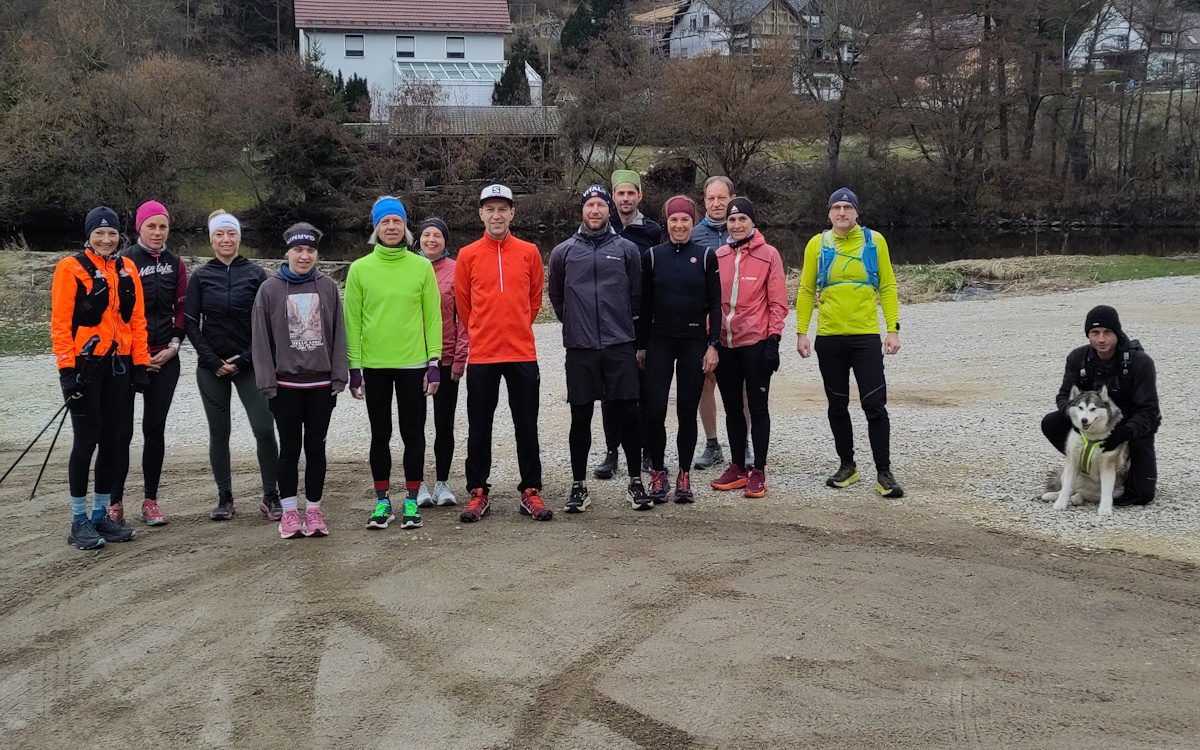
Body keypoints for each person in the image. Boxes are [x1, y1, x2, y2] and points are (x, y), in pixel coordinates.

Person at [795, 188, 904, 497]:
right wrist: (801, 331)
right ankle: (847, 465)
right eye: (836, 208)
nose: (841, 212)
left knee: (874, 404)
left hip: (865, 336)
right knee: (837, 404)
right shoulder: (817, 244)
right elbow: (806, 289)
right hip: (829, 337)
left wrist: (892, 329)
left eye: (847, 207)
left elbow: (887, 285)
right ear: (829, 213)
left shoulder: (875, 241)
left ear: (857, 212)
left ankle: (884, 472)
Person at [455, 184, 552, 523]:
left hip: (521, 352)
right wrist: (484, 329)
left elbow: (535, 299)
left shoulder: (529, 251)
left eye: (502, 209)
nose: (496, 215)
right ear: (481, 214)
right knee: (479, 426)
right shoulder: (467, 255)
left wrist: (516, 326)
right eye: (490, 209)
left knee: (526, 424)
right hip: (483, 355)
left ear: (512, 213)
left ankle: (531, 490)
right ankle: (478, 491)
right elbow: (464, 304)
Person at [549, 185, 650, 512]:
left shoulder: (627, 250)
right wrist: (576, 323)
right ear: (582, 210)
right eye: (590, 205)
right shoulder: (563, 252)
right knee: (580, 416)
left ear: (609, 210)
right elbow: (557, 298)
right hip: (581, 348)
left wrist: (624, 329)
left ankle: (635, 482)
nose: (595, 210)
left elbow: (636, 295)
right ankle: (579, 486)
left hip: (619, 344)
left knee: (628, 413)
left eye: (601, 205)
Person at [51, 207, 146, 549]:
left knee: (113, 440)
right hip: (85, 366)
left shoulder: (128, 268)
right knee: (86, 440)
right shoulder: (70, 267)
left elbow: (137, 320)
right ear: (89, 236)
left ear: (120, 236)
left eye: (112, 234)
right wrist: (67, 371)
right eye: (99, 233)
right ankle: (78, 521)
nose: (106, 240)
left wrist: (141, 364)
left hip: (119, 364)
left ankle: (100, 514)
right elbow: (60, 323)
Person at [345, 197, 442, 531]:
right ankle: (383, 501)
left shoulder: (421, 267)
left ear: (405, 227)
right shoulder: (360, 269)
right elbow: (352, 322)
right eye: (384, 222)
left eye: (396, 222)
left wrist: (434, 361)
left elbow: (433, 317)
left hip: (413, 364)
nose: (391, 227)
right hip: (375, 366)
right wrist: (354, 368)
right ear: (376, 227)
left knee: (413, 433)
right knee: (380, 434)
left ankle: (412, 500)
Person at [252, 223, 348, 538]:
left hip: (321, 385)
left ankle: (314, 510)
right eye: (298, 250)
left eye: (309, 250)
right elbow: (260, 340)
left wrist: (339, 376)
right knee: (290, 448)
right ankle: (290, 512)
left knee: (316, 448)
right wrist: (267, 381)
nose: (304, 256)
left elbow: (339, 334)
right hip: (286, 386)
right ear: (288, 252)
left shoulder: (327, 287)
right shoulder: (269, 290)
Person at [186, 209, 280, 520]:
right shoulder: (200, 277)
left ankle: (271, 495)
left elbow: (268, 323)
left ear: (239, 237)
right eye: (219, 234)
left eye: (231, 233)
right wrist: (212, 360)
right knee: (219, 433)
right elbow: (191, 323)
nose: (226, 239)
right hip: (211, 367)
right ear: (211, 240)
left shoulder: (256, 274)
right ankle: (224, 497)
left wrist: (244, 358)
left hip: (250, 364)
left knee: (264, 428)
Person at [638, 195, 720, 504]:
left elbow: (715, 304)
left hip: (693, 340)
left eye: (685, 219)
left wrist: (713, 345)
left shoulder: (706, 256)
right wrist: (641, 346)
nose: (679, 225)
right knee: (655, 410)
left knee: (687, 410)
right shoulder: (652, 256)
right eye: (674, 219)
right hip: (660, 339)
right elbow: (645, 305)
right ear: (667, 221)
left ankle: (684, 474)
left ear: (692, 221)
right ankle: (658, 472)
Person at [109, 200, 185, 526]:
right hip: (128, 358)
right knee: (121, 432)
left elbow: (181, 309)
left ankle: (150, 500)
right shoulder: (123, 262)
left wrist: (174, 345)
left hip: (165, 357)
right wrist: (137, 355)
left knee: (154, 429)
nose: (157, 232)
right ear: (139, 227)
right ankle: (114, 501)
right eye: (151, 226)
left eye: (162, 226)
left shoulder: (175, 263)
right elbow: (115, 313)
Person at [1041, 305, 1160, 505]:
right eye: (1095, 333)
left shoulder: (1140, 362)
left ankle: (1112, 476)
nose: (1101, 339)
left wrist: (1125, 432)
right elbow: (1064, 397)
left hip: (1130, 429)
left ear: (1117, 333)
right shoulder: (1078, 358)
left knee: (1141, 495)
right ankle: (1087, 469)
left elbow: (1149, 411)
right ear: (1088, 334)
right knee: (1051, 422)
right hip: (1091, 422)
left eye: (1107, 332)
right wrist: (1074, 416)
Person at [710, 198, 786, 498]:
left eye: (743, 219)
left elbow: (778, 301)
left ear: (753, 222)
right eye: (732, 220)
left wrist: (774, 340)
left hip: (756, 342)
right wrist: (711, 339)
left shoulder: (769, 255)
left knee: (757, 407)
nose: (737, 224)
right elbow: (711, 301)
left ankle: (759, 471)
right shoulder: (718, 255)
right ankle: (738, 466)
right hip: (725, 343)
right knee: (732, 409)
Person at [594, 169, 662, 479]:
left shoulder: (652, 231)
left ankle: (646, 449)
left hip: (642, 317)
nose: (625, 198)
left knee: (644, 388)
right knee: (611, 391)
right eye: (620, 193)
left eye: (630, 193)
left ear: (639, 196)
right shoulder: (601, 228)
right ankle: (612, 452)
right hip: (609, 320)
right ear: (613, 197)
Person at [690, 176, 752, 470]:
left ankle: (744, 443)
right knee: (705, 381)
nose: (716, 203)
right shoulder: (692, 234)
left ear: (732, 198)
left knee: (742, 385)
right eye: (711, 198)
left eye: (722, 198)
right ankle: (712, 444)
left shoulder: (743, 230)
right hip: (702, 320)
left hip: (738, 321)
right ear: (704, 201)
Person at [417, 217, 469, 508]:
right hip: (413, 359)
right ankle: (417, 483)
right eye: (426, 235)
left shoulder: (456, 269)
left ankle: (442, 482)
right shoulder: (410, 268)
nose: (431, 240)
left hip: (446, 358)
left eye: (437, 235)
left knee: (444, 423)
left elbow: (464, 318)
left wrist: (460, 358)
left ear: (445, 240)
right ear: (419, 239)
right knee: (414, 424)